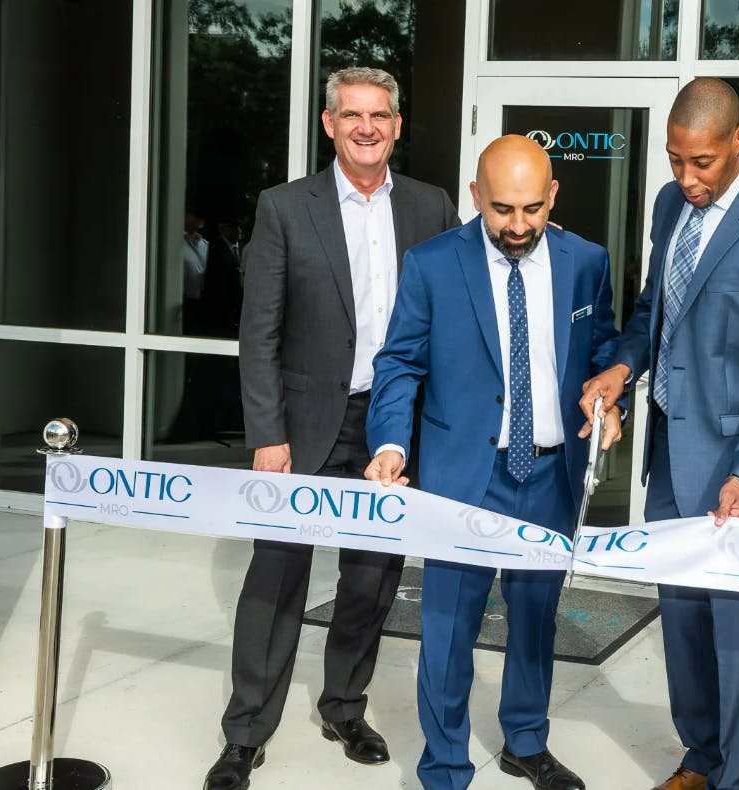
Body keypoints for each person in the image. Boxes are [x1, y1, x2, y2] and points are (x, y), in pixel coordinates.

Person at [204, 66, 460, 790]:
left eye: (379, 115)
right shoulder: (285, 208)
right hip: (303, 425)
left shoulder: (431, 206)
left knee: (372, 579)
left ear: (398, 125)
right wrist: (267, 433)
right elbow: (259, 334)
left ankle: (344, 708)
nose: (366, 128)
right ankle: (245, 733)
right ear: (329, 124)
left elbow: (456, 303)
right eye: (352, 115)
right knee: (276, 577)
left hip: (391, 425)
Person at [581, 77, 739, 790]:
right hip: (669, 459)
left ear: (738, 140)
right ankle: (701, 758)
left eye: (702, 162)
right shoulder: (668, 205)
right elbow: (654, 309)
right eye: (675, 160)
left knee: (738, 640)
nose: (686, 178)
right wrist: (622, 367)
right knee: (683, 627)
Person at [365, 134, 620, 790]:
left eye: (532, 208)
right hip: (462, 480)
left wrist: (608, 397)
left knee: (535, 622)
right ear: (476, 196)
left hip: (550, 475)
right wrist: (390, 445)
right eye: (502, 209)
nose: (518, 225)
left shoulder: (587, 262)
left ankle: (525, 743)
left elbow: (602, 350)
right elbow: (399, 362)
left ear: (553, 195)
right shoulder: (432, 264)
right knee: (448, 627)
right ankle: (445, 767)